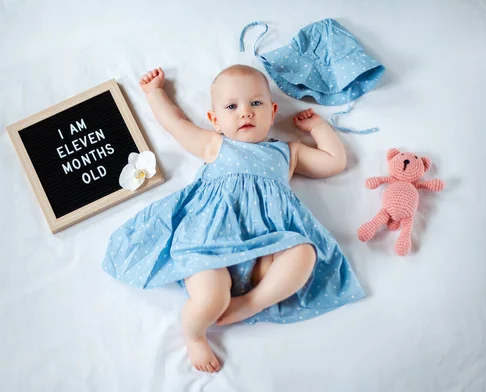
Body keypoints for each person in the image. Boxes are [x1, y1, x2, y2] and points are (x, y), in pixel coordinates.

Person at [102, 65, 364, 373]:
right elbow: (176, 124)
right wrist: (155, 92)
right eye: (231, 107)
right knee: (211, 297)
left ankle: (252, 302)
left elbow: (334, 162)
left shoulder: (286, 153)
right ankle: (194, 335)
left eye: (256, 104)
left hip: (267, 247)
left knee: (304, 252)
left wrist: (319, 128)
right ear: (215, 121)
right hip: (208, 243)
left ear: (272, 110)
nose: (245, 113)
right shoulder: (215, 144)